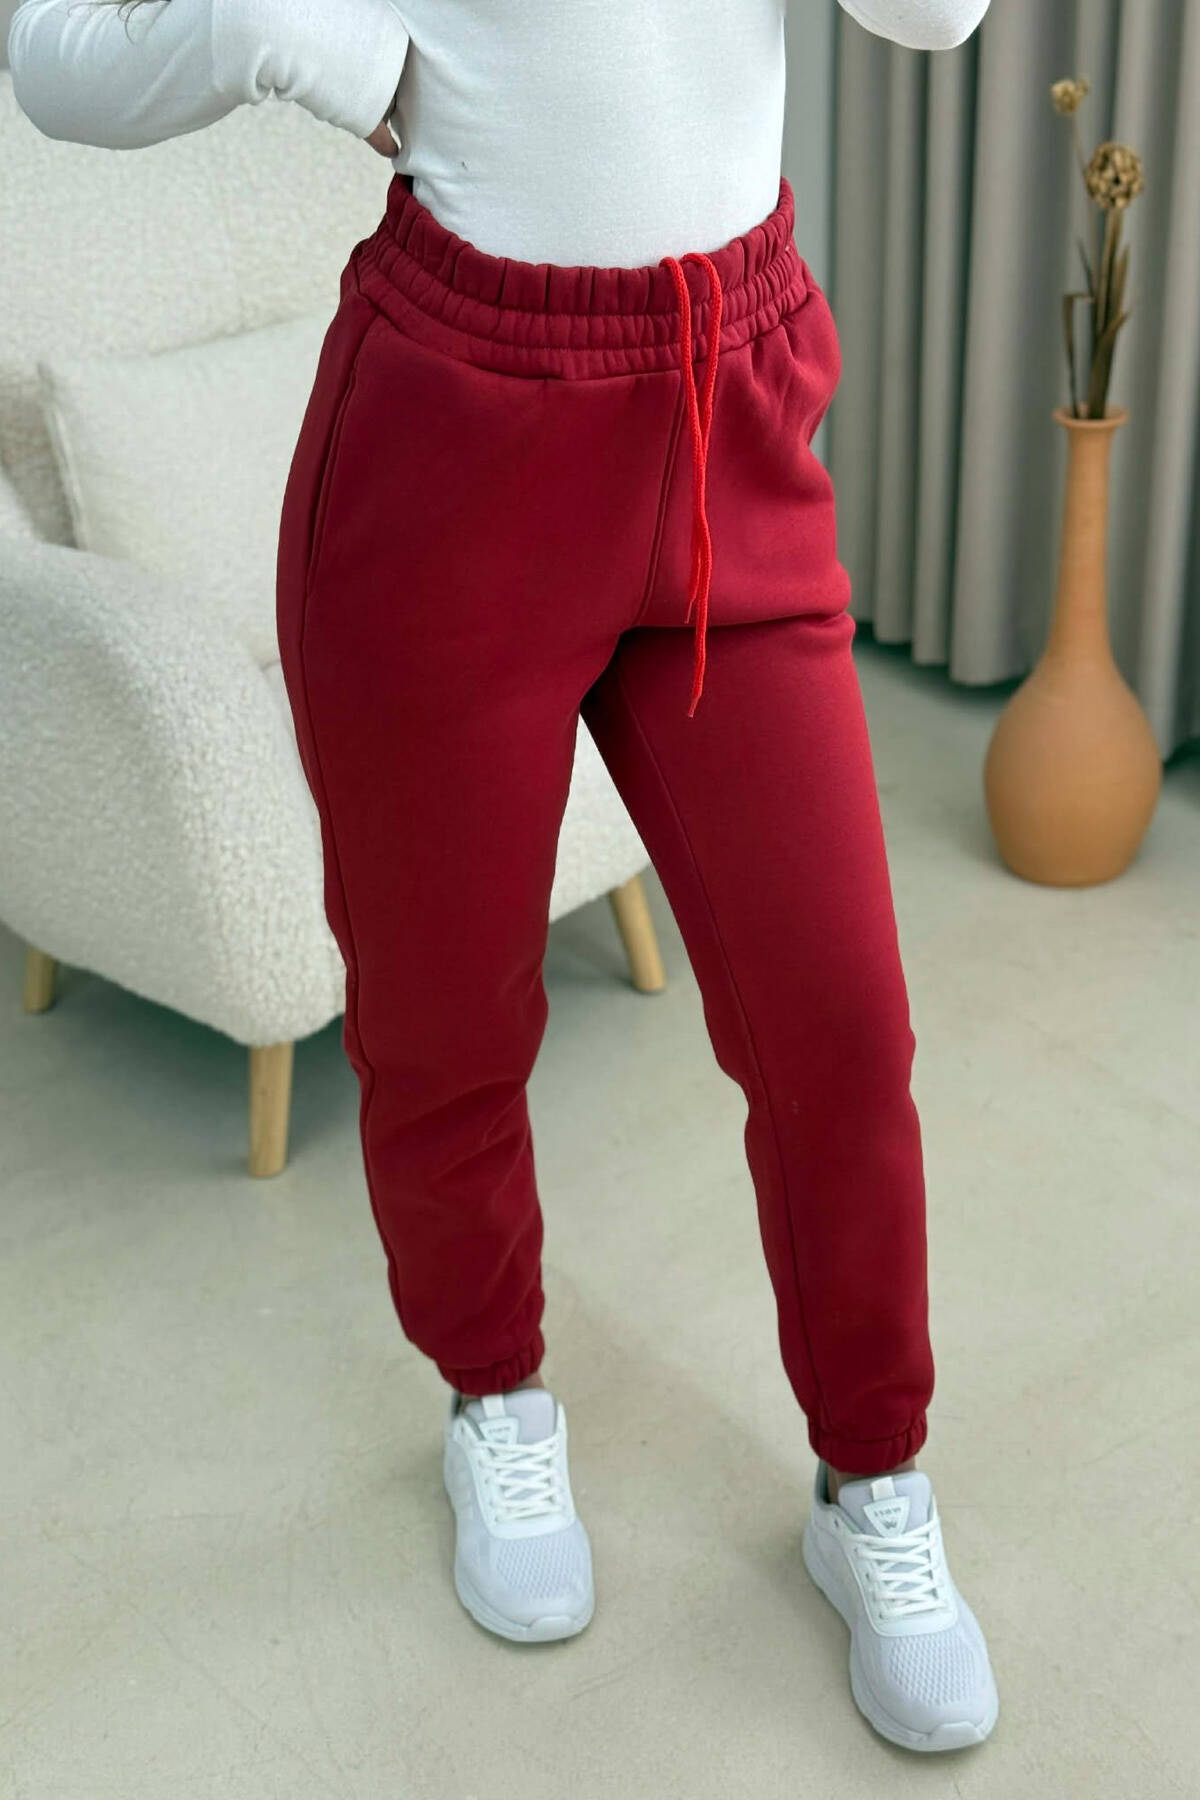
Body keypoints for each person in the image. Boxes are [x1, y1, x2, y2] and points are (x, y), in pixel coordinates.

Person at [9, 0, 999, 1753]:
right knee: (443, 1028)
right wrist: (296, 35)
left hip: (731, 402)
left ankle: (874, 1482)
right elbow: (54, 53)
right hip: (452, 444)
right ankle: (494, 1398)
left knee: (840, 1029)